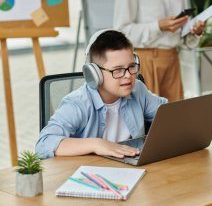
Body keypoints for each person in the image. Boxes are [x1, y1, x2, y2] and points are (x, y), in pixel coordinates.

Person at [35, 30, 167, 160]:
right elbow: (44, 144)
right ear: (94, 73)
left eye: (132, 66)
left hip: (130, 166)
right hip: (91, 173)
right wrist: (95, 144)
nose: (128, 75)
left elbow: (169, 114)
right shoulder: (77, 103)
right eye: (118, 70)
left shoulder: (137, 89)